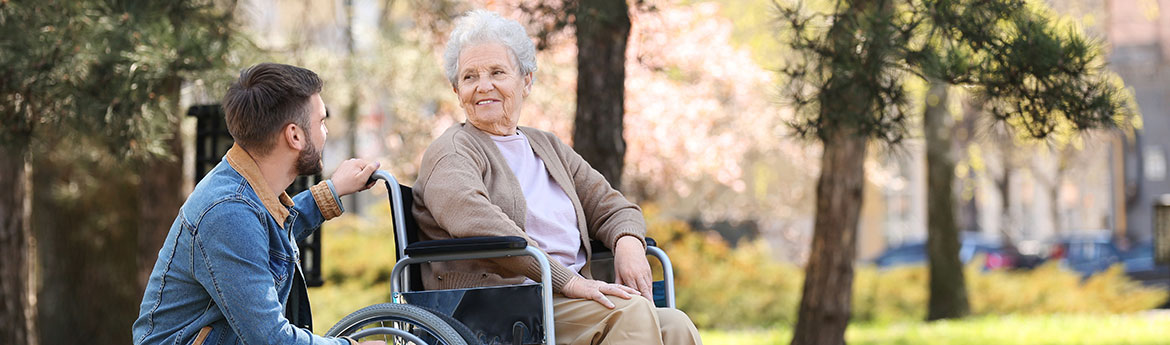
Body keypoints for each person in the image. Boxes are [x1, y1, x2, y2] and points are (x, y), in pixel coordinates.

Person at [412, 10, 702, 345]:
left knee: (675, 325)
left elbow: (612, 207)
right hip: (497, 309)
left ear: (526, 80)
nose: (483, 86)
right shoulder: (451, 152)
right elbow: (475, 221)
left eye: (497, 72)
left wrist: (629, 244)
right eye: (469, 77)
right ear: (456, 89)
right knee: (630, 313)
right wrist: (567, 280)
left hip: (562, 300)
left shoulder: (545, 147)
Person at [132, 63, 383, 345]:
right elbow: (271, 339)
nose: (325, 132)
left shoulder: (242, 191)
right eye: (322, 122)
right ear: (295, 136)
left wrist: (332, 192)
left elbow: (264, 233)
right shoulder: (228, 211)